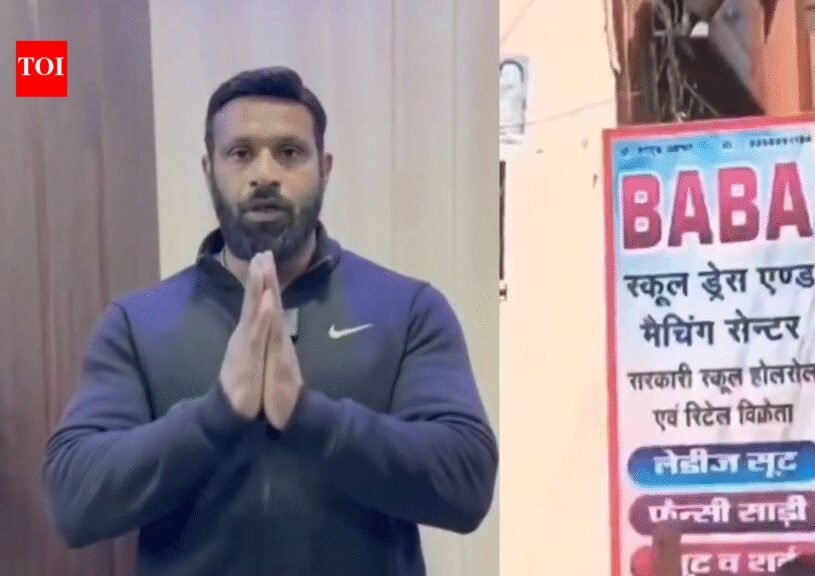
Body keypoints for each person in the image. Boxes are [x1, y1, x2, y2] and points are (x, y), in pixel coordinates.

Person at [43, 67, 498, 575]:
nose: (264, 174)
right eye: (240, 153)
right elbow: (73, 499)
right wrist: (217, 415)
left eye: (289, 152)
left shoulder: (408, 309)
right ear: (208, 169)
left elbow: (467, 483)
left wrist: (307, 415)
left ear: (324, 168)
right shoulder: (136, 324)